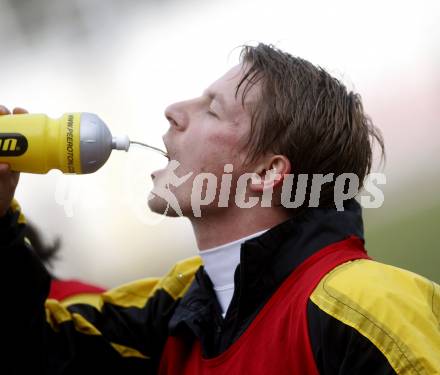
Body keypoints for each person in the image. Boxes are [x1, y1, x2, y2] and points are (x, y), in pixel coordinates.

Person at [1, 44, 439, 374]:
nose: (173, 112)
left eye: (212, 109)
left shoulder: (366, 306)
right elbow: (40, 352)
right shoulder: (179, 305)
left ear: (267, 174)